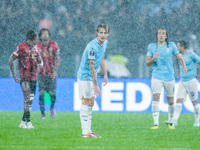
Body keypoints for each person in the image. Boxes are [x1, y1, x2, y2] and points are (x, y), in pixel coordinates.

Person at [146, 29, 187, 130]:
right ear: (157, 36)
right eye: (159, 33)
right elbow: (147, 63)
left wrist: (184, 66)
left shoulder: (171, 46)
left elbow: (179, 57)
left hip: (169, 76)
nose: (161, 35)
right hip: (156, 76)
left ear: (166, 36)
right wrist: (153, 59)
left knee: (171, 100)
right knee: (156, 97)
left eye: (163, 34)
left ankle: (171, 121)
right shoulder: (151, 46)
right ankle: (156, 124)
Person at [77, 24, 109, 138]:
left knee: (91, 102)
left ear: (108, 34)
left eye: (105, 33)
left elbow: (102, 58)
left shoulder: (105, 43)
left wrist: (105, 73)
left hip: (91, 77)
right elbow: (91, 67)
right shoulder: (92, 47)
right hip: (85, 76)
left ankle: (88, 131)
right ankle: (85, 132)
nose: (103, 35)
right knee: (86, 101)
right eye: (101, 33)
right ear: (97, 33)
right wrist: (96, 85)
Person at [9, 30, 43, 129]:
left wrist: (39, 63)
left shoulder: (35, 48)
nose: (37, 39)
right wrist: (14, 75)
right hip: (24, 78)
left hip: (34, 77)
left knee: (30, 101)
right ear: (33, 38)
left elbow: (40, 60)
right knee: (27, 99)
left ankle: (22, 122)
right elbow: (11, 59)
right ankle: (29, 122)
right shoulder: (21, 47)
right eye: (36, 38)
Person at [173, 41, 200, 127]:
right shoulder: (179, 56)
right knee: (178, 100)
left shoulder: (191, 55)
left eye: (178, 46)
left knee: (194, 102)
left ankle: (197, 121)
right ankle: (174, 121)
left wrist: (199, 75)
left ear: (182, 47)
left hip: (191, 81)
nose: (177, 48)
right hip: (182, 81)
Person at [36, 28, 60, 119]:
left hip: (51, 74)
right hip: (41, 74)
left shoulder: (54, 45)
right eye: (43, 34)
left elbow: (57, 58)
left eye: (47, 34)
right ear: (40, 36)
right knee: (41, 93)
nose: (46, 35)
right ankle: (42, 113)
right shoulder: (37, 46)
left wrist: (55, 71)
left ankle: (52, 108)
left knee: (52, 93)